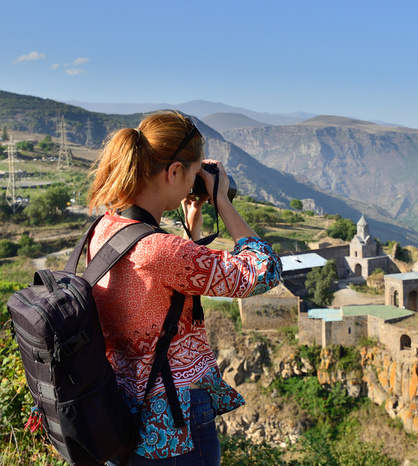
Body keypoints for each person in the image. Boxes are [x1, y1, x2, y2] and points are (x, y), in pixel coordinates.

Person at [86, 110, 282, 464]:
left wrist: (193, 226)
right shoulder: (162, 251)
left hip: (123, 417)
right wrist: (222, 201)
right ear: (174, 171)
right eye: (193, 174)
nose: (196, 181)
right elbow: (264, 271)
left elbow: (164, 290)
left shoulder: (103, 230)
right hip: (175, 426)